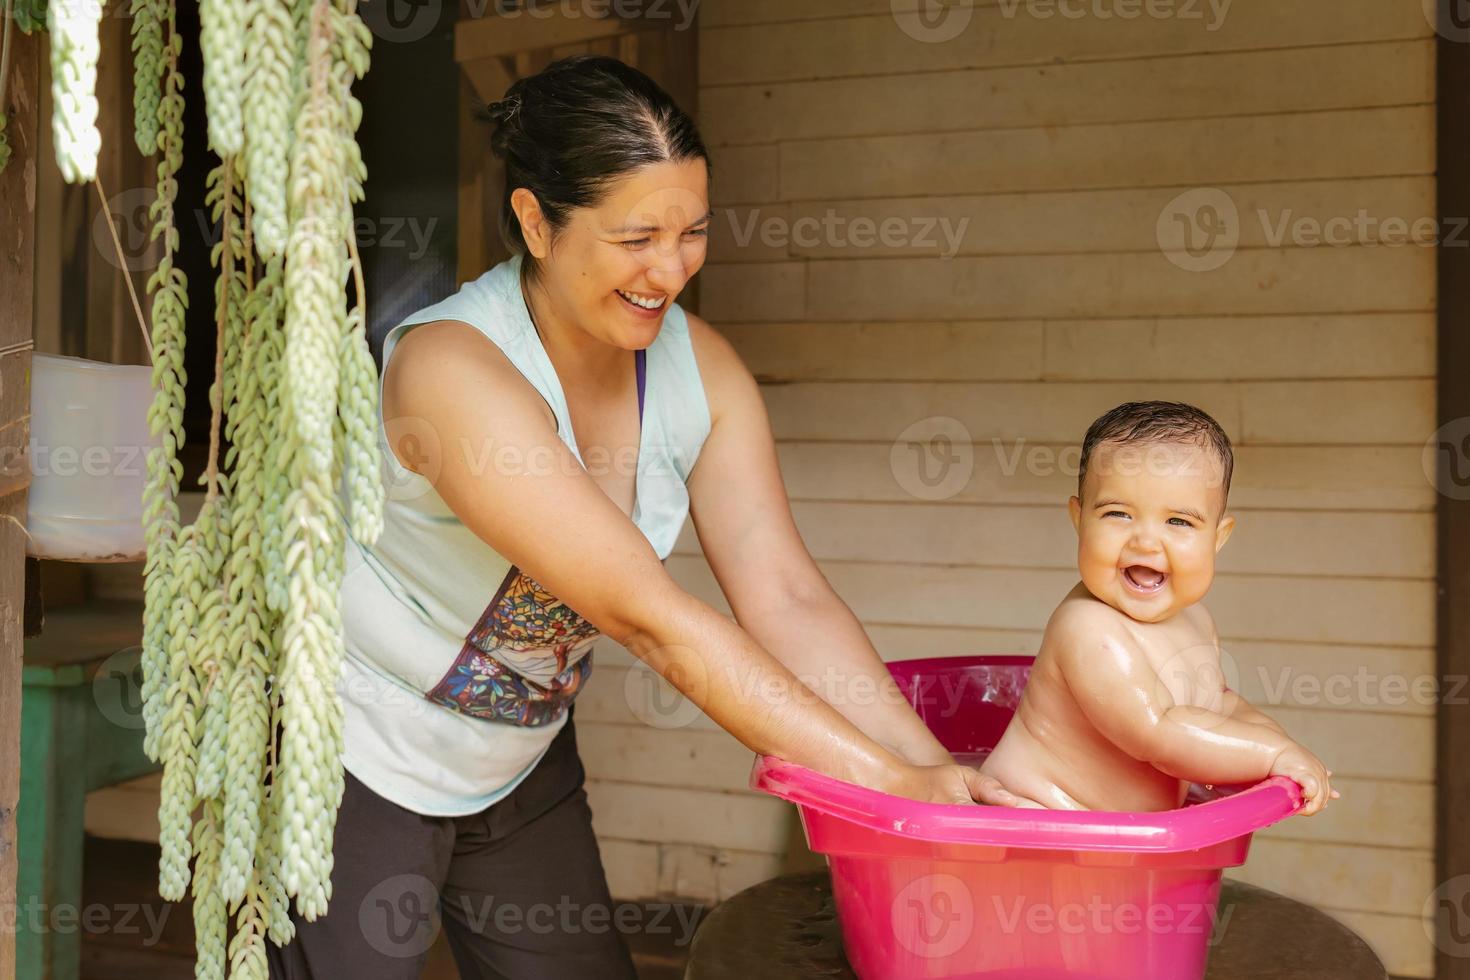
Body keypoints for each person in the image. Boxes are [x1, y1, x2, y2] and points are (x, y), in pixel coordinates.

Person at [267, 55, 1016, 980]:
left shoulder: (701, 372)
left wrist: (933, 780)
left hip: (519, 757)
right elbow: (646, 617)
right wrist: (884, 785)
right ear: (536, 222)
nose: (670, 270)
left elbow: (785, 594)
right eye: (636, 239)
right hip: (357, 752)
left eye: (693, 232)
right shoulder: (453, 371)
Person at [980, 401, 1339, 815]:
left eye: (1179, 522)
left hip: (1116, 840)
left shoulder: (1196, 620)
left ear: (1218, 538)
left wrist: (1283, 748)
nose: (1146, 542)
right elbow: (1158, 732)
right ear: (1079, 521)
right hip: (1032, 819)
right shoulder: (1088, 628)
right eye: (1118, 513)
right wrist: (1271, 754)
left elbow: (1215, 705)